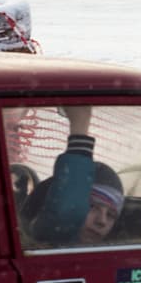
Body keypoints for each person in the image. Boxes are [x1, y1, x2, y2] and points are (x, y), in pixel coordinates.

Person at [21, 106, 124, 247]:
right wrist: (80, 125)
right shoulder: (44, 245)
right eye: (91, 206)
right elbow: (64, 213)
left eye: (111, 215)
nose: (102, 221)